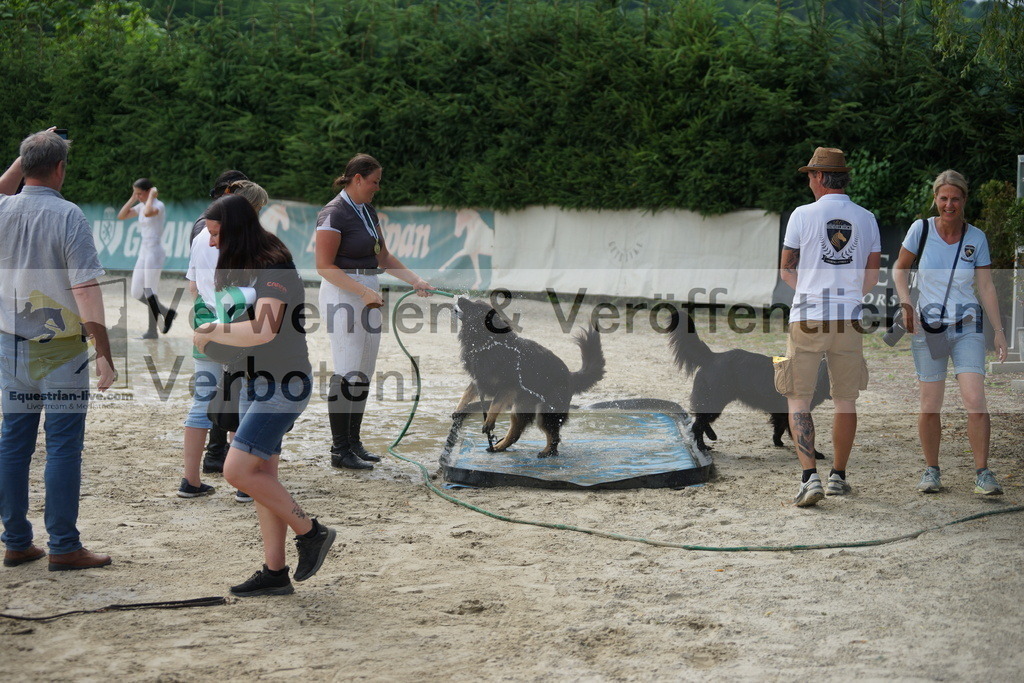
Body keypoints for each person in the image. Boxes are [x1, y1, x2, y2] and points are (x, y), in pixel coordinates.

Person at [194, 194, 335, 596]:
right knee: (261, 478)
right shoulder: (234, 265)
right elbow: (239, 329)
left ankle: (312, 532)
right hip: (250, 381)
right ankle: (275, 573)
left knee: (237, 472)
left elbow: (264, 330)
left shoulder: (275, 265)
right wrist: (219, 344)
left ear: (236, 229)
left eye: (217, 234)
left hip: (283, 383)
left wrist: (208, 334)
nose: (211, 242)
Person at [0, 130, 116, 570]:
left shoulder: (3, 208)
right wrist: (103, 351)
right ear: (61, 169)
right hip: (60, 346)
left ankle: (15, 540)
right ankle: (64, 545)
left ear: (24, 167)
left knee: (15, 442)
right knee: (63, 447)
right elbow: (84, 288)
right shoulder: (69, 216)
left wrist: (24, 156)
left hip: (9, 342)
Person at [892, 170, 1008, 495]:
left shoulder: (977, 238)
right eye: (943, 198)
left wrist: (998, 331)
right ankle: (931, 470)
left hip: (967, 327)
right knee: (930, 403)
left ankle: (983, 472)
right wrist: (905, 304)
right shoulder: (921, 229)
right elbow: (899, 268)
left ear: (964, 200)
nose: (949, 204)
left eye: (955, 198)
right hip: (928, 329)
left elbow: (985, 285)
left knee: (975, 399)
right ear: (935, 199)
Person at [778, 147, 881, 507]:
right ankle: (838, 476)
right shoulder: (867, 218)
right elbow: (871, 276)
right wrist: (847, 295)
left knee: (799, 397)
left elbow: (786, 271)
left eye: (810, 175)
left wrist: (810, 291)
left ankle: (810, 478)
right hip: (849, 316)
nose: (808, 181)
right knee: (845, 399)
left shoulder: (801, 215)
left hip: (807, 315)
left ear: (820, 177)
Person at [315, 154, 432, 470]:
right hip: (344, 293)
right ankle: (339, 450)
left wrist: (415, 280)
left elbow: (384, 257)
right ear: (357, 179)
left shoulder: (366, 210)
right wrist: (362, 291)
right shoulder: (333, 213)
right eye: (374, 181)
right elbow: (324, 266)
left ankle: (354, 442)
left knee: (364, 368)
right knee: (347, 367)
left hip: (367, 292)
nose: (377, 188)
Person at [179, 180, 269, 500]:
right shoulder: (247, 240)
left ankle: (190, 479)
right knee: (246, 398)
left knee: (202, 400)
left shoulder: (201, 234)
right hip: (237, 319)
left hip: (206, 315)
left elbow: (192, 286)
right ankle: (245, 482)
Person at [191, 170, 249, 475]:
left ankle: (211, 460)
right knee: (229, 390)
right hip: (223, 315)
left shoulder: (203, 224)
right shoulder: (220, 227)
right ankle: (221, 456)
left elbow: (193, 285)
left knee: (214, 391)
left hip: (208, 312)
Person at [117, 178, 176, 339]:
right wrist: (132, 199)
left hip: (154, 252)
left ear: (150, 192)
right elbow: (121, 216)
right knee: (136, 292)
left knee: (150, 291)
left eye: (140, 193)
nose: (138, 196)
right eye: (135, 193)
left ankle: (152, 331)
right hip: (144, 251)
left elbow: (149, 212)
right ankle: (166, 312)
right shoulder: (141, 204)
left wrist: (150, 197)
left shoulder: (157, 205)